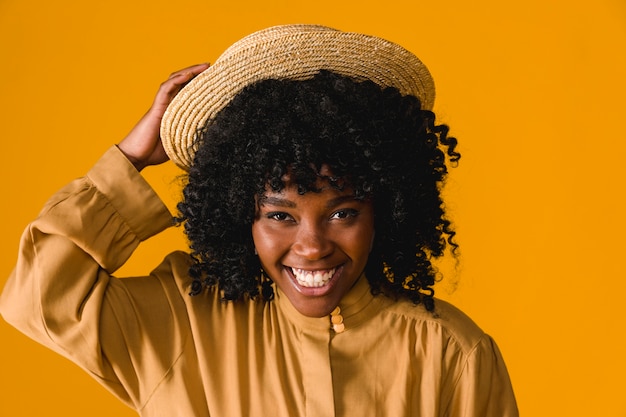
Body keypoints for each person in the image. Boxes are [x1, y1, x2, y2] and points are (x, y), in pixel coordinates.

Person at [0, 25, 518, 416]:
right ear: (239, 215)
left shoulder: (453, 354)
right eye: (279, 215)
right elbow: (37, 297)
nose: (312, 247)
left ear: (385, 209)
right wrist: (129, 159)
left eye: (342, 212)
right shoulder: (184, 320)